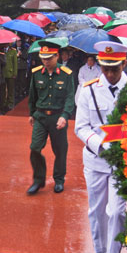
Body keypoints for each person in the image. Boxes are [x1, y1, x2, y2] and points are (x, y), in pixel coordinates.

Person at [74, 41, 127, 253]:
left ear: (124, 64)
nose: (109, 74)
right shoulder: (88, 89)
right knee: (96, 210)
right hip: (96, 158)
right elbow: (81, 127)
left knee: (117, 211)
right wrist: (103, 145)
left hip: (122, 161)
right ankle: (100, 252)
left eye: (114, 69)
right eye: (105, 68)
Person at [27, 41, 75, 195]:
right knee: (35, 147)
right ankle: (38, 179)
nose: (46, 61)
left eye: (49, 58)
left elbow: (69, 97)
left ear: (57, 56)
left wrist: (65, 116)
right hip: (41, 116)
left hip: (57, 117)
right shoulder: (36, 73)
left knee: (60, 150)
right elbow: (32, 95)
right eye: (43, 58)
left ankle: (59, 180)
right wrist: (32, 113)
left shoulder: (66, 74)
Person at [3, 42, 18, 110]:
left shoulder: (13, 51)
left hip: (10, 73)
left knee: (10, 89)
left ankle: (10, 103)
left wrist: (15, 73)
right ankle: (4, 103)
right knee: (3, 90)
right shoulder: (1, 50)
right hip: (3, 73)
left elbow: (15, 63)